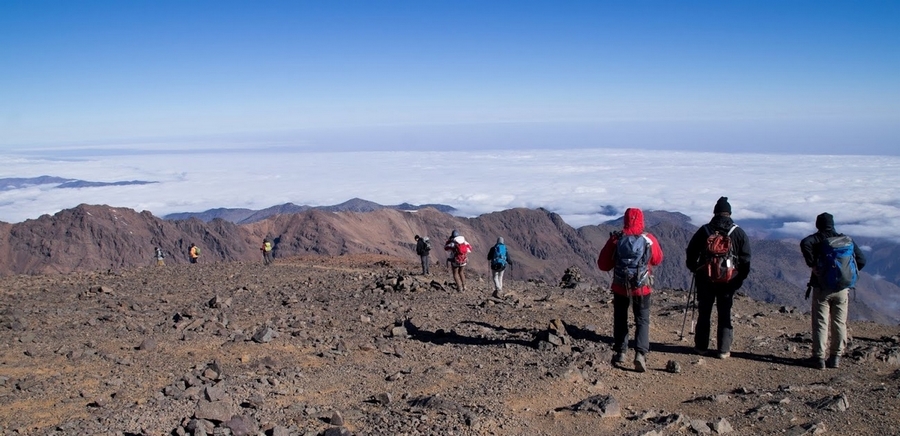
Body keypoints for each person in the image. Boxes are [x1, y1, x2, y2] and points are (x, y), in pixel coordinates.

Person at [597, 208, 664, 372]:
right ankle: (640, 353)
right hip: (642, 288)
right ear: (642, 220)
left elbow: (603, 264)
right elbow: (657, 259)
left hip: (621, 287)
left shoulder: (616, 239)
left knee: (621, 318)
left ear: (625, 220)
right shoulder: (649, 239)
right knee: (642, 319)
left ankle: (621, 351)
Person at [685, 197, 751, 359]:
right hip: (728, 281)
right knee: (724, 313)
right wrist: (738, 280)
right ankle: (723, 350)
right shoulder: (738, 233)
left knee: (704, 312)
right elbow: (745, 260)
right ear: (729, 213)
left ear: (715, 212)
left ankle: (701, 347)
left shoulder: (704, 230)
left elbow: (691, 252)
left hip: (705, 278)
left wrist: (695, 269)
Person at [800, 212, 867, 369]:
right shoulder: (845, 240)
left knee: (821, 322)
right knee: (839, 323)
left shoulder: (817, 239)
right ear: (832, 224)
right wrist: (847, 273)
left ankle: (818, 358)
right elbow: (862, 260)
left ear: (818, 225)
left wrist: (812, 264)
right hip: (842, 289)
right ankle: (836, 357)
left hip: (822, 288)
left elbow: (805, 243)